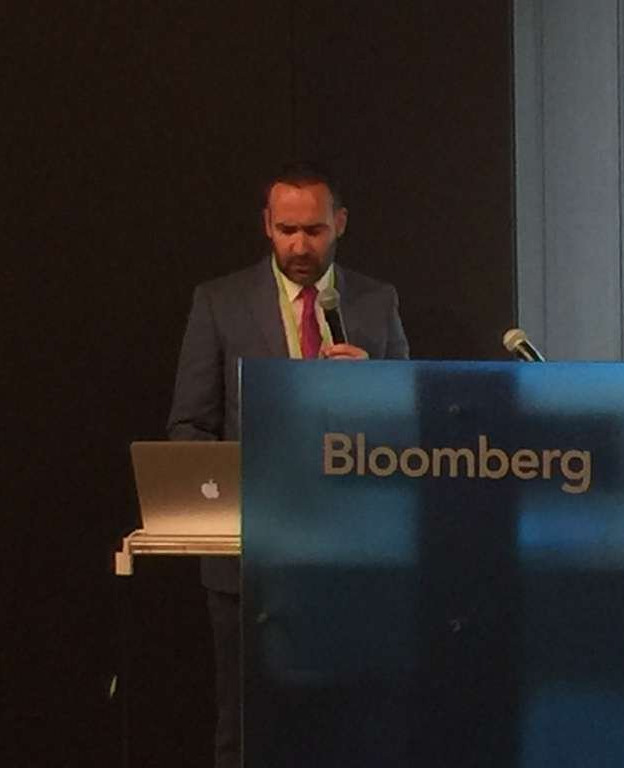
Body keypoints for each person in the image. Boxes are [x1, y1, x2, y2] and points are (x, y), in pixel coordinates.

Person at [167, 162, 409, 768]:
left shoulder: (377, 303)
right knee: (244, 726)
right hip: (250, 555)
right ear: (266, 227)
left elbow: (413, 430)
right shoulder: (219, 303)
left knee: (352, 724)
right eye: (287, 231)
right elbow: (190, 425)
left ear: (340, 224)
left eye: (314, 231)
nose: (300, 247)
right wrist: (236, 493)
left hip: (353, 555)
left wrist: (374, 388)